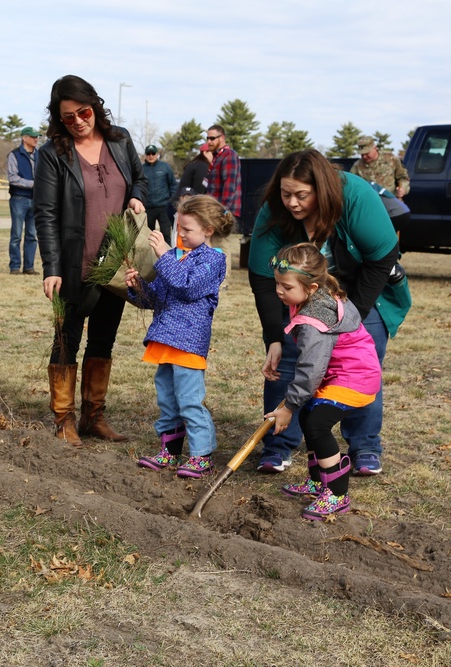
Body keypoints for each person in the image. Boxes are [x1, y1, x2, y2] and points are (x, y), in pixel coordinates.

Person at [247, 149, 402, 476]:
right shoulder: (275, 211)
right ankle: (278, 446)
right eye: (285, 193)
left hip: (359, 291)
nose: (291, 202)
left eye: (301, 195)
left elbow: (381, 257)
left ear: (322, 190)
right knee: (288, 358)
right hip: (301, 296)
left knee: (359, 363)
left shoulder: (356, 197)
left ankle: (365, 446)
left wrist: (348, 321)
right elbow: (263, 278)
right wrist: (274, 337)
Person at [34, 74, 148, 445]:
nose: (78, 121)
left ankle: (93, 417)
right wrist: (51, 268)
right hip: (73, 263)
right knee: (66, 340)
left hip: (115, 261)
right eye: (68, 117)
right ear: (59, 119)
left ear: (95, 107)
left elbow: (140, 179)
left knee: (103, 340)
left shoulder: (120, 139)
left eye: (83, 112)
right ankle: (63, 419)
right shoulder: (53, 154)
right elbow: (46, 214)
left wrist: (136, 197)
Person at [264, 243, 381, 521]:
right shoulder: (315, 297)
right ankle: (318, 481)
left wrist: (289, 406)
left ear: (312, 288)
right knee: (309, 416)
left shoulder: (315, 317)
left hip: (355, 377)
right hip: (343, 373)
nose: (279, 291)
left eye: (287, 287)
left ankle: (337, 495)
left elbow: (310, 368)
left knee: (317, 422)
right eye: (277, 284)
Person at [128, 195, 234, 477]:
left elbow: (186, 287)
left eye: (187, 229)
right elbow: (156, 298)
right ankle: (170, 451)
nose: (180, 234)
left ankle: (202, 455)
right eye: (178, 228)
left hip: (187, 343)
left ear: (208, 230)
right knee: (168, 401)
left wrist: (163, 254)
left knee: (189, 400)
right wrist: (138, 286)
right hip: (164, 340)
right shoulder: (175, 257)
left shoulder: (213, 260)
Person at [7, 126, 40, 275]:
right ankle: (15, 266)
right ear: (24, 138)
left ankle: (29, 267)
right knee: (16, 235)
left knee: (32, 235)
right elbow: (13, 178)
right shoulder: (14, 155)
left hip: (36, 200)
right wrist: (34, 184)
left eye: (37, 136)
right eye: (33, 137)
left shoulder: (40, 155)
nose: (36, 139)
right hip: (19, 199)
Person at [204, 125, 243, 232]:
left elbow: (229, 187)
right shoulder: (217, 157)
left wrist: (222, 212)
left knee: (221, 247)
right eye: (207, 138)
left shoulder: (229, 155)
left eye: (212, 138)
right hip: (214, 211)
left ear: (222, 138)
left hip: (223, 213)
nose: (209, 141)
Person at [142, 144, 177, 242]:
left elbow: (173, 185)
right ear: (145, 155)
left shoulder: (165, 167)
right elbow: (138, 186)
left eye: (153, 153)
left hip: (164, 207)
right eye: (148, 153)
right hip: (148, 208)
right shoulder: (141, 169)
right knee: (150, 236)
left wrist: (171, 201)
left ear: (157, 154)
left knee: (166, 234)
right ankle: (152, 257)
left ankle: (167, 255)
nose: (151, 156)